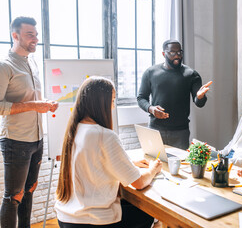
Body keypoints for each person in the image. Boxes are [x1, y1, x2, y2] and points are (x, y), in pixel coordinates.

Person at [55, 76, 162, 227]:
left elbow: (91, 162)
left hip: (67, 217)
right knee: (153, 214)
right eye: (112, 101)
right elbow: (138, 182)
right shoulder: (104, 135)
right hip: (92, 221)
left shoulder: (76, 129)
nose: (112, 107)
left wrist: (128, 163)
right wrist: (153, 169)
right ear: (100, 103)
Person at [0, 16, 58, 227]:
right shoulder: (4, 66)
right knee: (13, 197)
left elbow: (29, 99)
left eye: (36, 34)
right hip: (16, 141)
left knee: (29, 191)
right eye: (29, 35)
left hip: (36, 139)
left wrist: (45, 103)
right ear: (15, 36)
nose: (35, 39)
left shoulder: (32, 63)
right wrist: (34, 105)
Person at [137, 39, 212, 150]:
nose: (177, 56)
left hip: (180, 133)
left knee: (181, 166)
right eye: (172, 53)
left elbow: (199, 103)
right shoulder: (150, 73)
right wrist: (151, 109)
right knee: (155, 163)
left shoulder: (191, 74)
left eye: (179, 52)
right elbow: (141, 98)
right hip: (156, 129)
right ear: (164, 54)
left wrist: (200, 97)